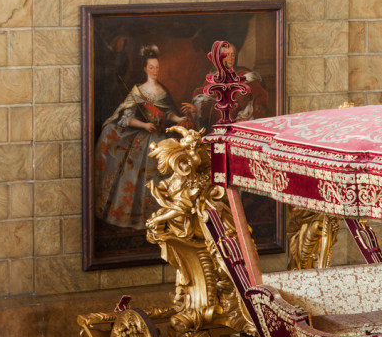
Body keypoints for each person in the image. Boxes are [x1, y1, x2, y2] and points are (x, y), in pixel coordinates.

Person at [94, 45, 189, 230]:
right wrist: (144, 125)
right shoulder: (138, 91)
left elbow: (168, 113)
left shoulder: (163, 90)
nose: (155, 71)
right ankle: (141, 217)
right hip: (143, 140)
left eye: (157, 67)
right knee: (138, 177)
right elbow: (126, 118)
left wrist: (178, 118)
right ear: (145, 69)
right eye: (151, 67)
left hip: (161, 137)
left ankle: (168, 215)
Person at [181, 41, 268, 129]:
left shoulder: (245, 76)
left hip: (240, 127)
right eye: (226, 55)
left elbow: (260, 100)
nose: (230, 58)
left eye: (233, 55)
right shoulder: (212, 79)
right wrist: (196, 109)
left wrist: (248, 119)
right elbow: (207, 106)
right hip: (217, 128)